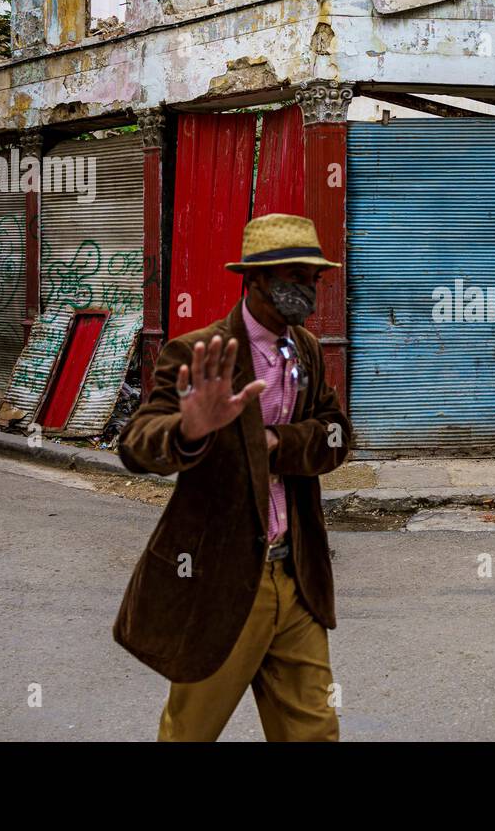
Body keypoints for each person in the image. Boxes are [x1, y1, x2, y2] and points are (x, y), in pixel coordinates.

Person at [113, 213, 352, 741]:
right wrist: (189, 430)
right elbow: (137, 443)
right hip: (221, 584)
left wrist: (278, 443)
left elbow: (337, 436)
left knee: (315, 733)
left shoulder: (305, 350)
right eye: (295, 277)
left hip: (295, 578)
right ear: (256, 279)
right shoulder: (197, 353)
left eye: (314, 278)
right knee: (190, 732)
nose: (308, 290)